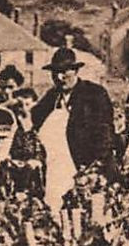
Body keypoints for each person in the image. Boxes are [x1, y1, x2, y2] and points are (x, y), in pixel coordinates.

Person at [29, 47, 114, 212]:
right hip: (57, 168)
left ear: (75, 71)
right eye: (55, 73)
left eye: (64, 72)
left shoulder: (94, 94)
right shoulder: (52, 97)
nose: (60, 77)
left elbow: (105, 134)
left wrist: (93, 169)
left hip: (86, 169)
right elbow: (34, 121)